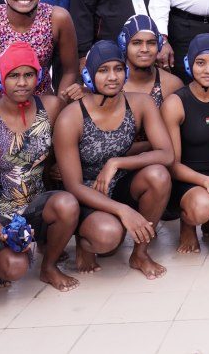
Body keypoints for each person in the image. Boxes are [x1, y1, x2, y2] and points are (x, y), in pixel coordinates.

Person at [52, 41, 174, 279]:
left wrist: (116, 163)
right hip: (86, 191)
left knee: (159, 175)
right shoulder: (71, 117)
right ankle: (84, 240)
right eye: (103, 70)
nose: (112, 77)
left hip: (119, 181)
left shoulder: (140, 103)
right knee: (108, 237)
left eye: (118, 69)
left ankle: (140, 254)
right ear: (89, 76)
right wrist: (123, 210)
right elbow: (73, 186)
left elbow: (166, 153)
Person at [0, 43, 80, 292]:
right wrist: (0, 230)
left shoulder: (51, 107)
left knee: (67, 204)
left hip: (35, 205)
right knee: (13, 268)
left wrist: (56, 166)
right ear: (0, 78)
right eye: (13, 76)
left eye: (29, 74)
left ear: (38, 77)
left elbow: (68, 142)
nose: (22, 83)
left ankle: (49, 266)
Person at [163, 33, 209, 254]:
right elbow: (172, 165)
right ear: (189, 64)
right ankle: (188, 223)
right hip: (190, 181)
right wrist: (208, 182)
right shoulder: (176, 103)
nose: (208, 70)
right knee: (202, 207)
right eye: (200, 63)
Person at [119, 14, 184, 115]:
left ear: (159, 45)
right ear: (124, 45)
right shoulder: (111, 83)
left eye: (151, 43)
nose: (145, 49)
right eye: (137, 43)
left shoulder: (172, 85)